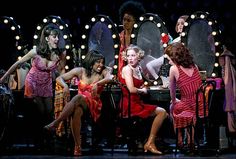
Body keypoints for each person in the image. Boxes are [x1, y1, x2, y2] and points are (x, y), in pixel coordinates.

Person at [0, 24, 66, 150]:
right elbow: (18, 63)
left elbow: (59, 72)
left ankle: (47, 139)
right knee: (41, 111)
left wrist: (65, 82)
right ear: (47, 38)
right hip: (33, 82)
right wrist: (3, 78)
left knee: (49, 110)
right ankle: (41, 141)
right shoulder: (36, 51)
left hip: (46, 83)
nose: (57, 39)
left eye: (58, 37)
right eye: (54, 36)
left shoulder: (59, 54)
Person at [44, 50, 114, 156]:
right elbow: (59, 78)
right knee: (76, 111)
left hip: (94, 105)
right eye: (98, 62)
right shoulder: (80, 71)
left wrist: (98, 83)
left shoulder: (105, 70)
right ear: (91, 62)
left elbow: (109, 78)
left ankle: (56, 122)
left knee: (78, 97)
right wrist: (65, 86)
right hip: (81, 104)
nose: (101, 64)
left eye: (102, 62)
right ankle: (77, 147)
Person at [120, 45, 167, 155]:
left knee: (165, 114)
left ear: (138, 56)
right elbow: (131, 89)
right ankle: (150, 143)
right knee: (162, 112)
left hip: (138, 103)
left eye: (133, 55)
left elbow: (147, 82)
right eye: (128, 56)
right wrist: (142, 91)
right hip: (130, 105)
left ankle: (151, 142)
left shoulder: (138, 68)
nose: (130, 58)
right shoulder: (127, 69)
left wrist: (161, 81)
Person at [165, 42, 204, 148]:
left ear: (175, 58)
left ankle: (180, 140)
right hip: (201, 105)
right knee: (182, 107)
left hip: (190, 105)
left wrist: (174, 101)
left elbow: (172, 90)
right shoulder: (194, 66)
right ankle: (190, 140)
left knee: (173, 107)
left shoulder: (174, 69)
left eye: (169, 59)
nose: (169, 62)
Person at [146, 15, 189, 83]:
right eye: (178, 24)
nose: (180, 26)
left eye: (182, 23)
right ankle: (159, 79)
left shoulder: (186, 39)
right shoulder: (176, 39)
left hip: (177, 61)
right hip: (169, 58)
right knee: (149, 65)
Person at [118, 0, 146, 80]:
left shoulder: (140, 37)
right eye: (124, 20)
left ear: (135, 22)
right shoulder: (120, 36)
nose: (125, 22)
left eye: (128, 20)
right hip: (122, 68)